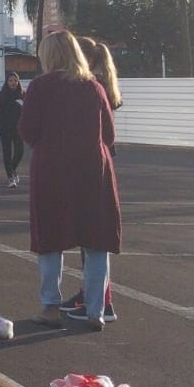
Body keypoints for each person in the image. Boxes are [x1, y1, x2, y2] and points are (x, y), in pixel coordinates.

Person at [19, 31, 122, 331]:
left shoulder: (40, 86)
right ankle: (95, 310)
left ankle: (50, 306)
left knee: (50, 238)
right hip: (93, 169)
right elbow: (110, 135)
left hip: (52, 169)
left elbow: (27, 130)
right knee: (96, 240)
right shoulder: (93, 86)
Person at [59, 36, 124, 321]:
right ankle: (93, 295)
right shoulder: (101, 82)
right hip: (100, 157)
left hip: (92, 160)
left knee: (93, 238)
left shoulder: (90, 86)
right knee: (94, 236)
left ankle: (100, 300)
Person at [0, 72, 25, 188]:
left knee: (19, 152)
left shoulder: (23, 95)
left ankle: (13, 169)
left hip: (19, 129)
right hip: (5, 129)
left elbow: (28, 112)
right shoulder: (1, 95)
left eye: (15, 81)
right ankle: (10, 178)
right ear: (7, 82)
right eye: (11, 81)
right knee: (7, 152)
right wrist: (5, 119)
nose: (13, 83)